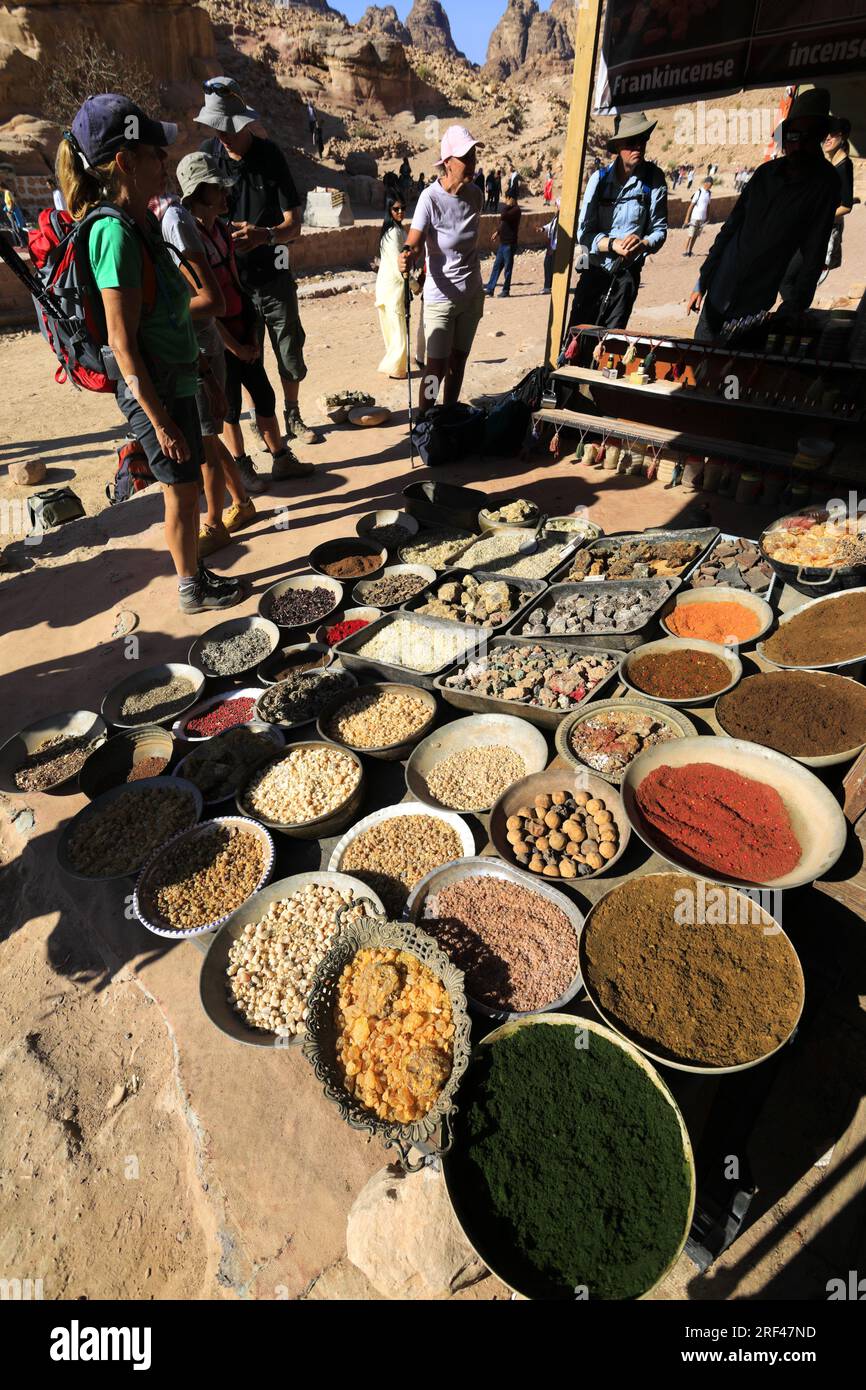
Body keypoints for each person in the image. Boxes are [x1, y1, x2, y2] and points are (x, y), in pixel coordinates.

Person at [57, 93, 242, 614]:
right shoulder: (113, 233)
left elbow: (172, 317)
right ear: (125, 162)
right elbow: (122, 340)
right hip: (152, 389)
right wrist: (160, 422)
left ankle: (196, 575)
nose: (166, 163)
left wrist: (204, 371)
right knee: (180, 490)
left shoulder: (139, 223)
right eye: (156, 155)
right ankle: (191, 589)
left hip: (175, 378)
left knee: (183, 487)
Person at [162, 152, 296, 552]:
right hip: (216, 342)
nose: (226, 194)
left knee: (208, 433)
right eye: (217, 188)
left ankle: (217, 520)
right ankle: (240, 500)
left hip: (221, 338)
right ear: (200, 192)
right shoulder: (188, 233)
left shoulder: (217, 231)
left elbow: (224, 294)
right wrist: (234, 344)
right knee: (214, 428)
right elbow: (209, 301)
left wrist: (248, 333)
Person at [197, 76, 319, 456]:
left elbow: (293, 225)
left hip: (274, 276)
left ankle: (293, 413)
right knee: (248, 358)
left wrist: (263, 235)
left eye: (228, 129)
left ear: (244, 123)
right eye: (217, 129)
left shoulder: (270, 156)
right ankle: (262, 425)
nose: (223, 137)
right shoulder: (208, 156)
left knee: (288, 349)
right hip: (233, 285)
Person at [688, 88, 841, 342]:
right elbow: (730, 228)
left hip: (754, 305)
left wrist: (797, 303)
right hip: (719, 290)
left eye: (809, 136)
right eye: (793, 136)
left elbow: (814, 249)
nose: (799, 145)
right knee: (696, 368)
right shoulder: (764, 174)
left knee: (734, 375)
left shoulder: (825, 183)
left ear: (822, 137)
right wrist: (702, 281)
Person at [399, 125, 484, 419]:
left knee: (458, 362)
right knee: (436, 368)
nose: (472, 162)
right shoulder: (429, 198)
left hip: (472, 295)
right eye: (465, 157)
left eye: (473, 155)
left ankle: (448, 418)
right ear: (447, 161)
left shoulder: (476, 195)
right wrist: (408, 254)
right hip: (441, 299)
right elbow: (415, 237)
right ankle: (424, 419)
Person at [569, 110, 667, 331]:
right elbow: (583, 234)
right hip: (593, 271)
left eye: (642, 140)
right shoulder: (599, 179)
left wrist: (642, 244)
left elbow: (659, 231)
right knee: (577, 340)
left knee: (610, 344)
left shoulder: (654, 179)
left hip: (626, 278)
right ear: (618, 146)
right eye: (632, 142)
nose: (639, 146)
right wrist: (613, 244)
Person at [375, 194, 409, 378]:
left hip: (391, 288)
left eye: (403, 208)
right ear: (389, 210)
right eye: (396, 209)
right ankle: (396, 369)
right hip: (393, 289)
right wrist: (413, 285)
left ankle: (396, 367)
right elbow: (399, 265)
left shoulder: (398, 230)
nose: (401, 211)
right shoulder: (393, 233)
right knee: (397, 332)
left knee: (394, 331)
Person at [485, 190, 521, 298]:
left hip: (510, 244)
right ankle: (490, 289)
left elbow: (503, 216)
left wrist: (507, 206)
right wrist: (497, 232)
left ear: (511, 198)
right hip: (503, 243)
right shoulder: (510, 209)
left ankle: (506, 290)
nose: (505, 200)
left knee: (507, 269)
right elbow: (503, 223)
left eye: (507, 198)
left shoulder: (516, 210)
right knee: (496, 267)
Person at [683, 178, 712, 257]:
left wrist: (708, 216)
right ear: (706, 183)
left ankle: (690, 251)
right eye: (710, 183)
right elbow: (691, 206)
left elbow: (708, 206)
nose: (711, 185)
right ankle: (685, 250)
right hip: (695, 217)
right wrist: (686, 219)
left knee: (696, 235)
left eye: (712, 184)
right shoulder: (698, 192)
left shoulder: (709, 193)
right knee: (690, 235)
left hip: (702, 218)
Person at [0, 181, 27, 247]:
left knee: (16, 228)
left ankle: (23, 242)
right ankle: (22, 242)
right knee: (15, 228)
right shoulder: (6, 192)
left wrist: (10, 211)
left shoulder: (7, 192)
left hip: (12, 212)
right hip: (11, 211)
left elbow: (11, 203)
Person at [542, 199, 559, 294]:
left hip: (554, 247)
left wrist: (553, 248)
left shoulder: (561, 218)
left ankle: (548, 287)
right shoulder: (556, 217)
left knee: (549, 265)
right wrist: (543, 229)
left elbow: (559, 235)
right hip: (552, 246)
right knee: (548, 265)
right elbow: (550, 226)